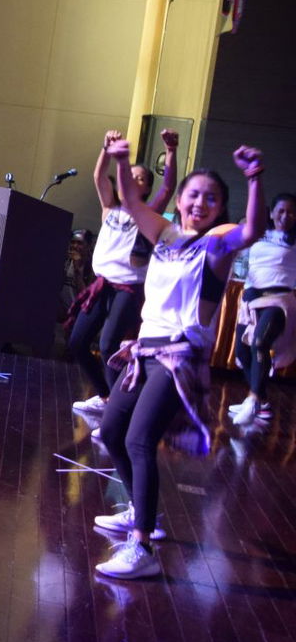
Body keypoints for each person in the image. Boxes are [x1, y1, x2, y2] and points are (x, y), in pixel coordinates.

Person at [92, 139, 264, 579]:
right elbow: (132, 201)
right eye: (194, 194)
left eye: (212, 197)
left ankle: (143, 548)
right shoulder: (165, 235)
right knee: (111, 431)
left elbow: (252, 230)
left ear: (221, 207)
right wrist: (121, 159)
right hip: (146, 349)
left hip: (179, 356)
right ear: (181, 199)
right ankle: (141, 512)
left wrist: (254, 178)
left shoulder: (218, 243)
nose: (201, 203)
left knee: (139, 440)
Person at [68, 129, 178, 413]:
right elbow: (98, 176)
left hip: (128, 289)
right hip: (102, 284)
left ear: (146, 188)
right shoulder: (110, 207)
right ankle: (106, 397)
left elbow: (168, 188)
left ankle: (121, 405)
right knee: (78, 342)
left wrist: (171, 151)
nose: (132, 179)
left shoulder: (148, 214)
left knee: (109, 346)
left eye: (140, 178)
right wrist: (106, 148)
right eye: (130, 174)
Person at [230, 192, 295, 426]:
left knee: (259, 342)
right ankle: (261, 402)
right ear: (272, 213)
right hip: (250, 299)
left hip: (278, 300)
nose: (285, 216)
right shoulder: (259, 234)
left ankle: (253, 399)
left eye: (291, 212)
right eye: (281, 211)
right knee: (242, 352)